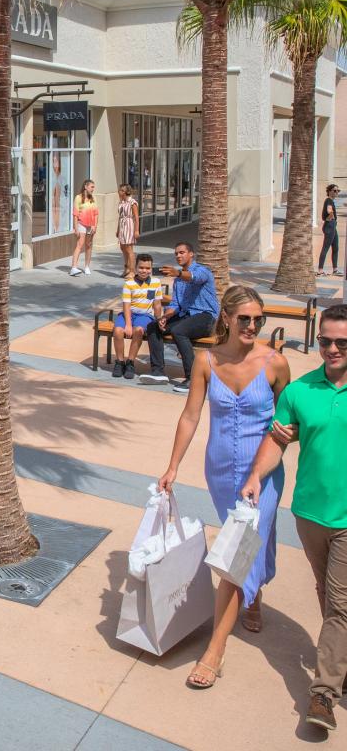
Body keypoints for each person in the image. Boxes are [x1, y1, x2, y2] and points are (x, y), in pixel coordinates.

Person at [158, 286, 292, 690]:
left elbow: (290, 423)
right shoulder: (205, 360)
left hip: (262, 474)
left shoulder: (276, 364)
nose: (252, 326)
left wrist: (292, 432)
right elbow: (190, 416)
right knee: (254, 545)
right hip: (219, 471)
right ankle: (254, 596)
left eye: (259, 319)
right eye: (245, 318)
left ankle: (214, 652)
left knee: (235, 553)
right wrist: (172, 466)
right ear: (227, 318)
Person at [241, 303, 347, 732]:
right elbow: (276, 441)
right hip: (309, 514)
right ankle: (340, 661)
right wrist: (254, 477)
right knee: (328, 593)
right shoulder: (299, 391)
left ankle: (323, 693)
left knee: (339, 604)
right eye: (325, 341)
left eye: (342, 342)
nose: (332, 349)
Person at [140, 241, 219, 393]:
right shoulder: (178, 282)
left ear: (191, 254)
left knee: (179, 331)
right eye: (176, 253)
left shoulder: (203, 271)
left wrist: (178, 273)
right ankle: (158, 372)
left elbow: (195, 278)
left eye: (182, 252)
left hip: (206, 316)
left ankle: (193, 377)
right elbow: (176, 304)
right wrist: (165, 317)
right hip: (186, 316)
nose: (178, 255)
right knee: (153, 326)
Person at [112, 253, 162, 379]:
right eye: (141, 267)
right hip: (128, 315)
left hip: (145, 315)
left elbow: (157, 305)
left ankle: (130, 362)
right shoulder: (129, 283)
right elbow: (126, 305)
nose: (144, 271)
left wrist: (159, 320)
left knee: (138, 331)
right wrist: (128, 324)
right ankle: (119, 362)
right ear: (135, 267)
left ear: (151, 268)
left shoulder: (156, 283)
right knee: (118, 331)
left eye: (147, 268)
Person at [69, 178, 99, 276]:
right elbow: (75, 214)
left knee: (89, 245)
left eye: (93, 187)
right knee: (80, 244)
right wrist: (75, 228)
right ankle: (74, 267)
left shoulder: (93, 198)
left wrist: (95, 226)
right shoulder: (78, 198)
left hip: (91, 225)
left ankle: (87, 267)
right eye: (92, 187)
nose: (93, 189)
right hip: (81, 224)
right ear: (86, 186)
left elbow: (96, 214)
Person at [116, 184, 140, 277]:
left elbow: (136, 217)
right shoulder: (121, 202)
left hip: (129, 225)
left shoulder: (132, 202)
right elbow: (120, 217)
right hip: (122, 226)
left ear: (126, 192)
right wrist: (118, 229)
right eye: (120, 190)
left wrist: (136, 230)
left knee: (129, 249)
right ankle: (126, 268)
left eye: (122, 190)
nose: (120, 192)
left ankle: (133, 271)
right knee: (122, 247)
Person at [317, 183, 341, 277]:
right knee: (325, 248)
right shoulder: (328, 200)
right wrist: (331, 218)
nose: (336, 193)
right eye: (334, 191)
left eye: (337, 191)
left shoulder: (331, 201)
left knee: (336, 247)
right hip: (330, 226)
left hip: (332, 226)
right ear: (329, 191)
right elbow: (329, 212)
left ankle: (335, 270)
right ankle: (320, 271)